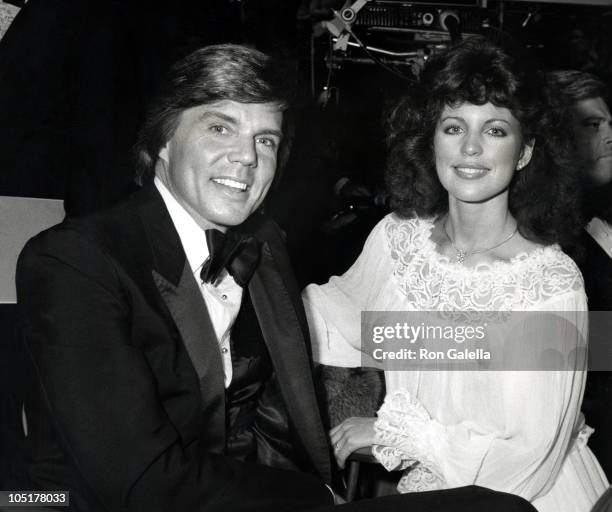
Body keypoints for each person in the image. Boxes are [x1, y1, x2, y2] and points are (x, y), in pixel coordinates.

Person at [6, 43, 536, 512]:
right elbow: (139, 482)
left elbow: (370, 330)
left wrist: (516, 339)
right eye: (220, 127)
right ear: (163, 141)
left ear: (528, 152)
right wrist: (311, 496)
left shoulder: (264, 243)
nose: (245, 158)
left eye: (266, 140)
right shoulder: (75, 261)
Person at [304, 37, 609, 511]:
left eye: (494, 131)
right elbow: (338, 323)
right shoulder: (398, 239)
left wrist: (396, 434)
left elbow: (528, 457)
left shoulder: (551, 282)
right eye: (453, 127)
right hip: (431, 493)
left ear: (525, 151)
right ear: (430, 140)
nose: (470, 148)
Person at [547, 70, 612, 479]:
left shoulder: (598, 219)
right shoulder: (549, 239)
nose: (609, 136)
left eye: (609, 123)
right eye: (592, 126)